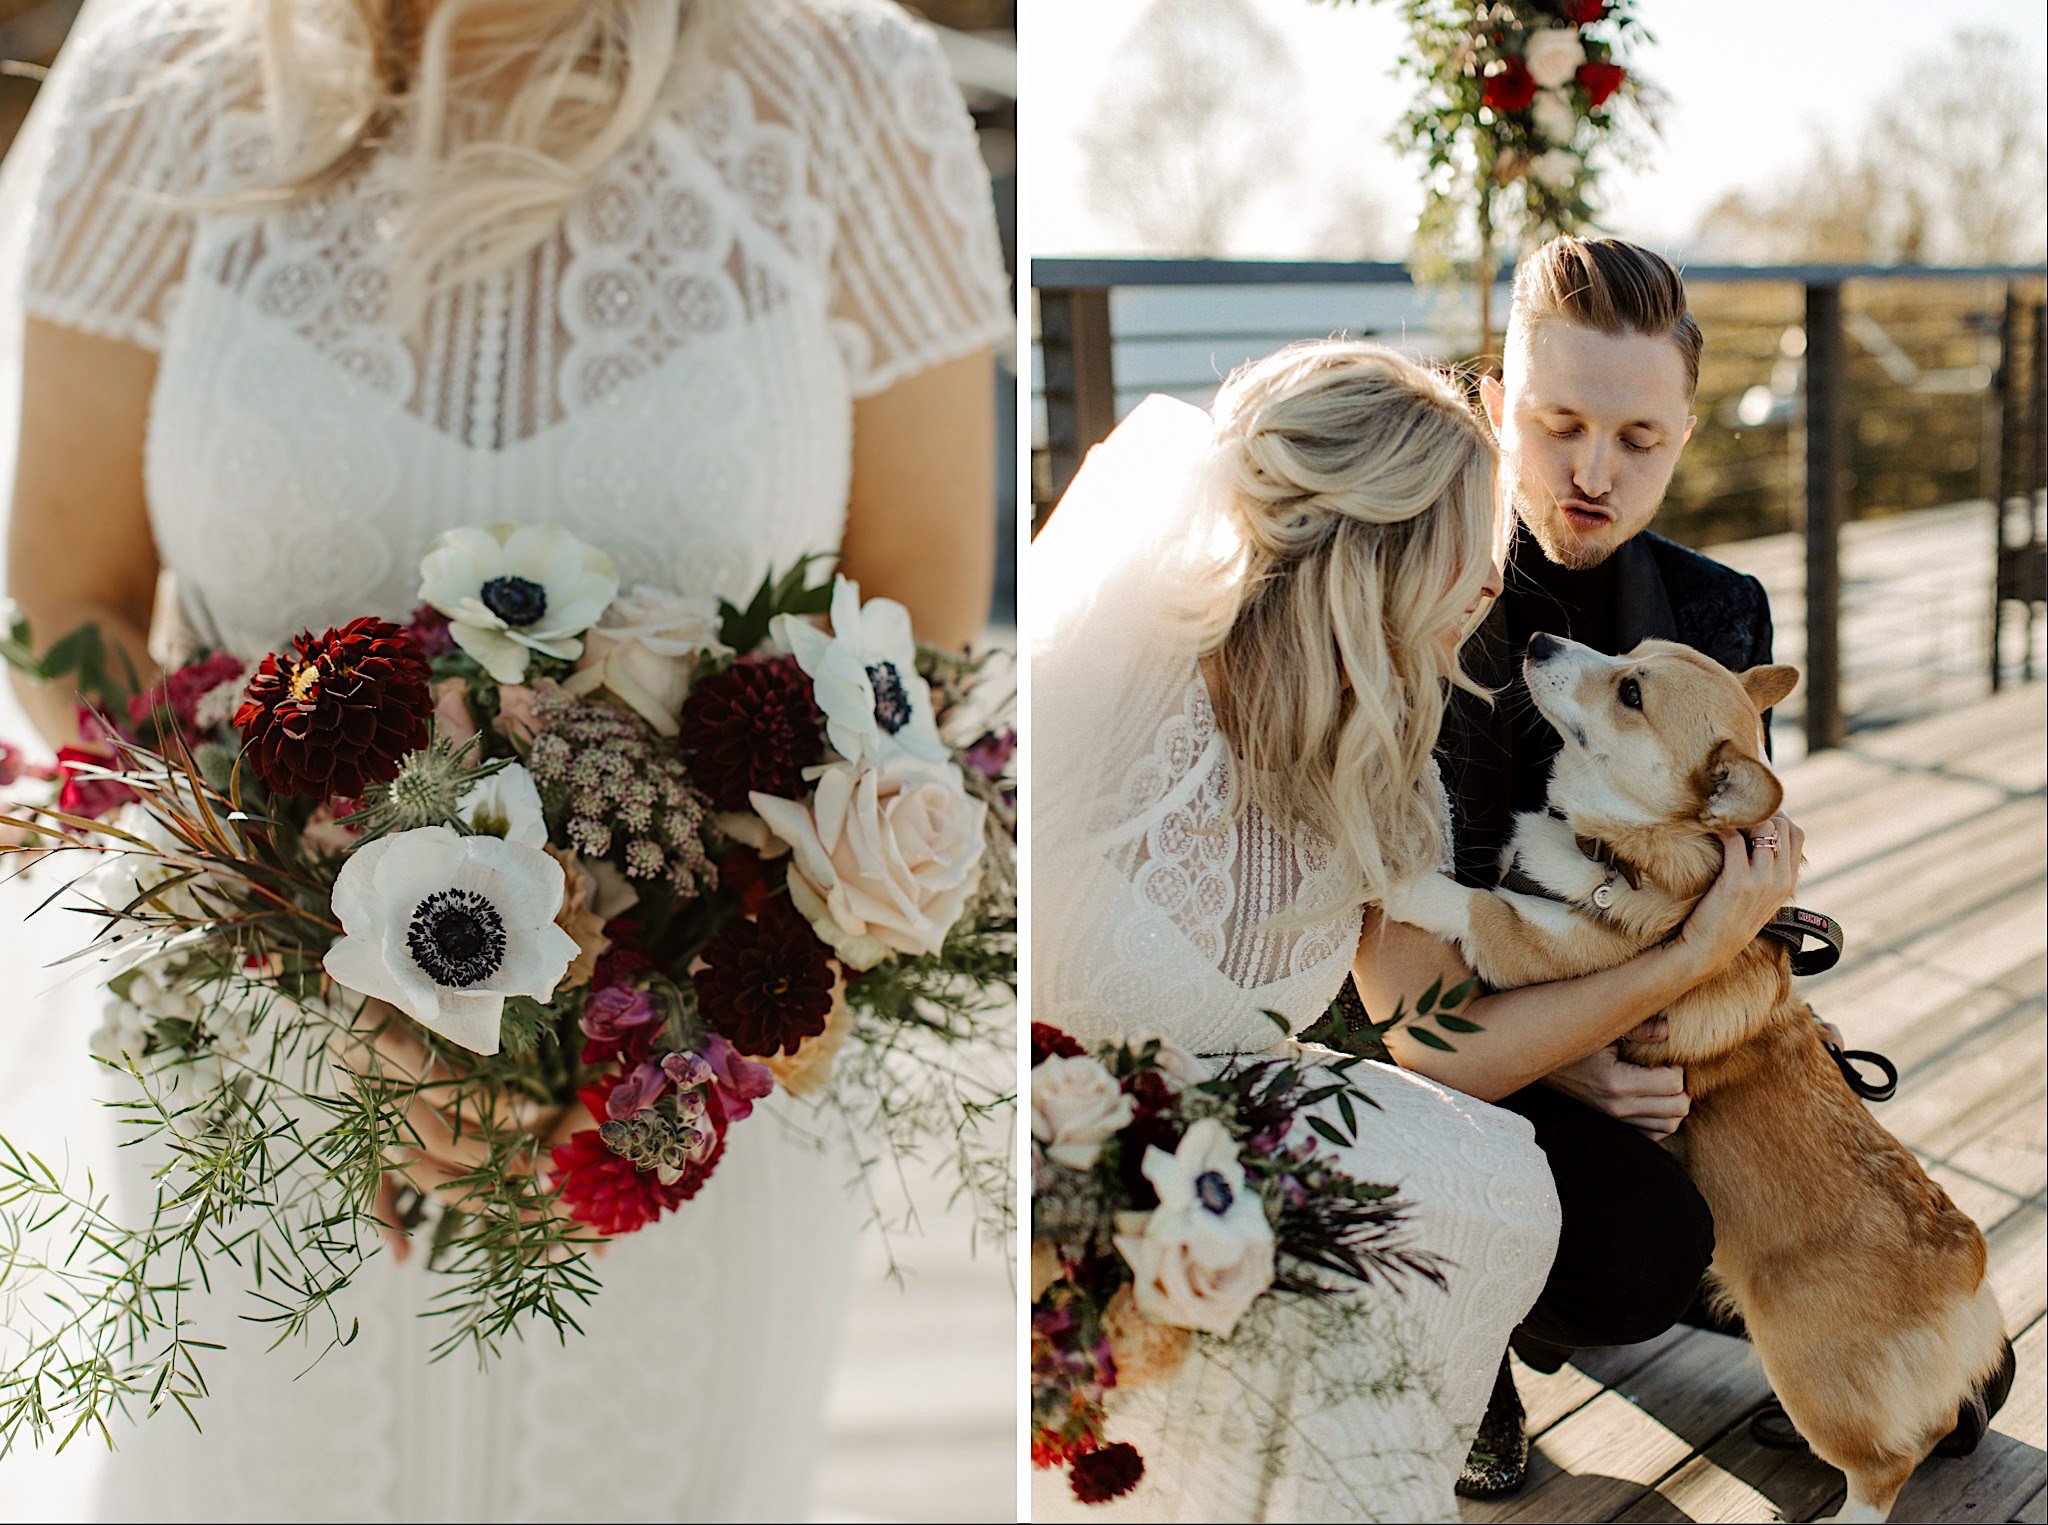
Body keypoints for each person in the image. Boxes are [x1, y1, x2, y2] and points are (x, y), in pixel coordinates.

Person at [0, 0, 1010, 1516]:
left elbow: (906, 649)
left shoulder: (851, 85)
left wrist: (612, 1013)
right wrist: (306, 940)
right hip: (262, 1102)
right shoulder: (160, 76)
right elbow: (62, 592)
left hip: (662, 1123)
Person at [1030, 339, 1799, 1522]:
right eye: (1468, 543)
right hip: (1046, 1159)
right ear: (1368, 553)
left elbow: (1440, 1041)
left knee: (1502, 1189)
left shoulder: (1381, 760)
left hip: (1230, 1146)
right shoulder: (1118, 705)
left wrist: (1691, 958)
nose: (1493, 585)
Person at [1430, 234, 1785, 1495]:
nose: (1590, 472)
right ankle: (1462, 1330)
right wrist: (1567, 1052)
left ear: (1684, 434)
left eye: (1637, 439)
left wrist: (1656, 1037)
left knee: (1965, 1376)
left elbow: (1723, 890)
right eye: (1555, 422)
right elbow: (1385, 964)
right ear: (1492, 407)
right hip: (1438, 1039)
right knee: (1641, 1253)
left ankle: (1572, 1281)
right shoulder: (1416, 588)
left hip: (1644, 1029)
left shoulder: (1721, 611)